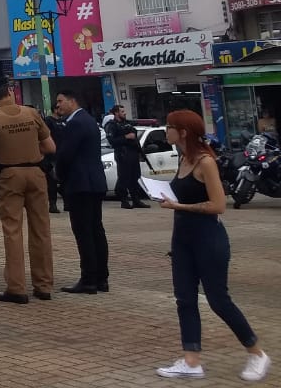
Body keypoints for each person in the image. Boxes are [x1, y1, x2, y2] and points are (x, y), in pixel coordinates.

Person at [157, 109, 270, 382]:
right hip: (182, 240)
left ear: (183, 132)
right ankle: (191, 361)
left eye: (169, 126)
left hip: (208, 239)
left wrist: (178, 206)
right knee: (185, 299)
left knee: (218, 300)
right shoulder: (183, 158)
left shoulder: (205, 162)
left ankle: (256, 353)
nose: (166, 130)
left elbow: (218, 205)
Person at [0, 78, 56, 304]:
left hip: (9, 175)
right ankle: (43, 285)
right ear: (10, 92)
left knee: (13, 231)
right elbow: (50, 147)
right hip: (36, 174)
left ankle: (17, 287)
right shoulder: (31, 113)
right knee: (41, 230)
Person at [54, 90, 109, 294]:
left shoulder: (75, 123)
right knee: (96, 230)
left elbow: (65, 155)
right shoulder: (89, 120)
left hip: (80, 184)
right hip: (94, 182)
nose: (58, 105)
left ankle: (89, 279)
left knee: (84, 232)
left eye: (60, 101)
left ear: (72, 101)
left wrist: (59, 176)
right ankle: (101, 278)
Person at [105, 105, 149, 209]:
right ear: (116, 113)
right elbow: (112, 141)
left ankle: (136, 200)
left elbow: (134, 134)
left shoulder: (127, 123)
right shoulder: (112, 125)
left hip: (133, 153)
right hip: (122, 154)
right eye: (122, 111)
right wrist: (126, 137)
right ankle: (124, 201)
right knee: (124, 177)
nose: (124, 113)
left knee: (135, 177)